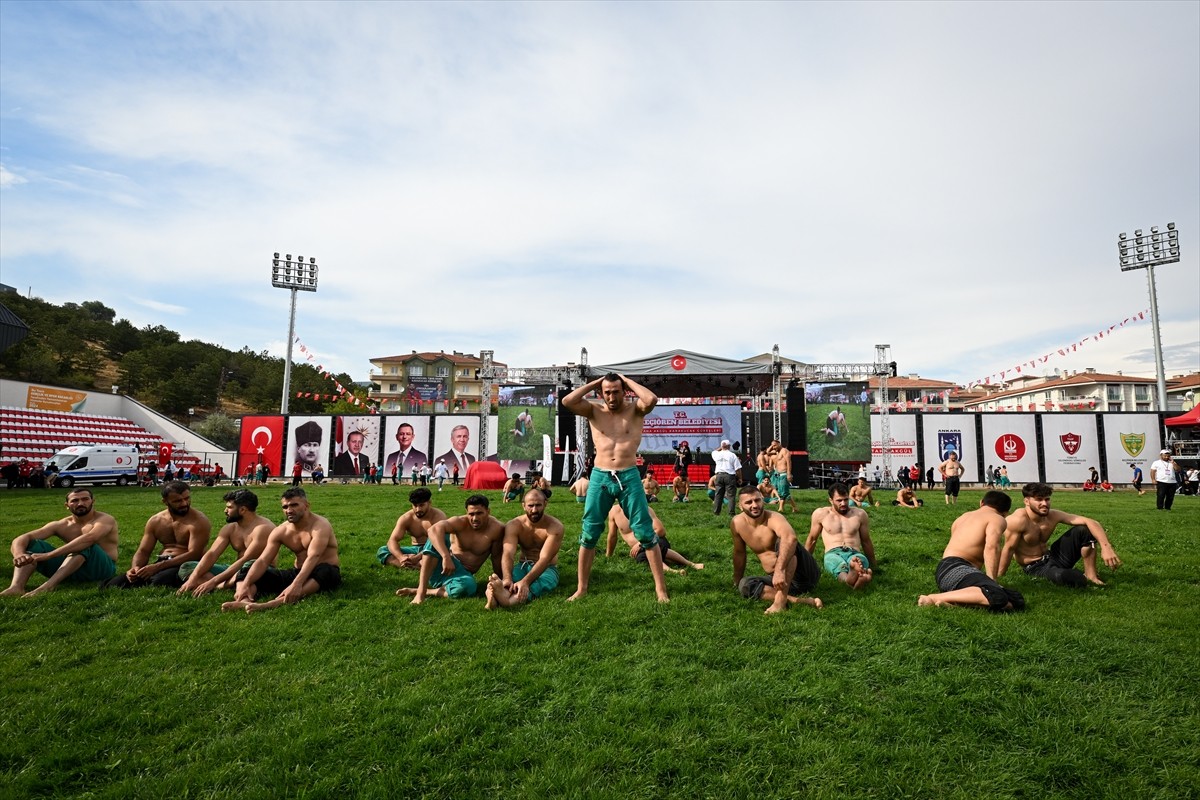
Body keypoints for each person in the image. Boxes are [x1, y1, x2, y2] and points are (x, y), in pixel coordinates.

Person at [562, 372, 670, 603]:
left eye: (616, 391)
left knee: (645, 532)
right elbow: (567, 401)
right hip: (600, 476)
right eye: (607, 392)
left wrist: (627, 380)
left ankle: (661, 590)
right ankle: (582, 588)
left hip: (629, 475)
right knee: (589, 533)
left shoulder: (636, 409)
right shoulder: (594, 410)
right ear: (602, 393)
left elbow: (651, 400)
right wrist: (596, 384)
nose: (611, 396)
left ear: (624, 392)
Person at [222, 488, 341, 613]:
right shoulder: (281, 530)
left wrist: (296, 585)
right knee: (249, 567)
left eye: (294, 505)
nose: (289, 510)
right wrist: (246, 584)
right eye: (285, 507)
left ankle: (272, 604)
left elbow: (314, 556)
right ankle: (245, 599)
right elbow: (263, 560)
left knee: (325, 570)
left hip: (322, 573)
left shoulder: (320, 525)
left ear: (306, 505)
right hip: (298, 572)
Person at [999, 482, 1122, 588]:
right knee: (1075, 579)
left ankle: (1091, 575)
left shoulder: (1052, 515)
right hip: (1035, 567)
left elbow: (1091, 522)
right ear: (1026, 501)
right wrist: (998, 577)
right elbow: (1009, 549)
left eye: (1047, 499)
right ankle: (1076, 576)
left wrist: (1106, 547)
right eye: (1039, 499)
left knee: (1084, 529)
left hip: (1053, 556)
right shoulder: (1017, 520)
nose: (1044, 503)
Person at [917, 491, 1024, 611]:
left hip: (944, 571)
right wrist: (992, 582)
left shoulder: (963, 517)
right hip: (957, 569)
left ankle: (952, 603)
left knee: (1015, 601)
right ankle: (933, 598)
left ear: (981, 503)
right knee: (995, 594)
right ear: (1005, 513)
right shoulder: (997, 518)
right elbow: (992, 547)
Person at [3, 488, 119, 596]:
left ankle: (48, 586)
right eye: (75, 500)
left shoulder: (105, 519)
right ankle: (16, 587)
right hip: (71, 569)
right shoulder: (61, 525)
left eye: (85, 499)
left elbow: (90, 538)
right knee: (32, 544)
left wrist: (49, 555)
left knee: (85, 545)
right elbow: (23, 537)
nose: (80, 503)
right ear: (67, 505)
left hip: (101, 570)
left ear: (92, 501)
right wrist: (19, 555)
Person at [102, 481, 211, 589]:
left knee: (158, 581)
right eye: (177, 501)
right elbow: (143, 551)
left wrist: (158, 567)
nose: (184, 503)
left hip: (185, 564)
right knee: (113, 584)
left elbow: (195, 554)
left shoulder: (199, 521)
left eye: (187, 498)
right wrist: (136, 568)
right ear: (165, 501)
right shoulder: (156, 521)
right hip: (163, 561)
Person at [731, 486, 823, 614]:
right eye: (748, 502)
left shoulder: (774, 517)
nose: (754, 505)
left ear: (763, 500)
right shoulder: (737, 523)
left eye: (757, 500)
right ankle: (797, 600)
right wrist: (737, 580)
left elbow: (790, 539)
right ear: (740, 506)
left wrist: (780, 571)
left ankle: (780, 601)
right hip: (779, 581)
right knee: (745, 584)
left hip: (804, 575)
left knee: (786, 542)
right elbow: (739, 553)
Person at [398, 494, 504, 604]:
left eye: (479, 513)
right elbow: (433, 530)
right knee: (438, 535)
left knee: (469, 587)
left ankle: (425, 590)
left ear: (488, 511)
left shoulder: (496, 529)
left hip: (462, 575)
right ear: (466, 512)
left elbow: (496, 557)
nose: (475, 518)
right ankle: (421, 591)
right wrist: (446, 557)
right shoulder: (460, 522)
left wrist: (500, 582)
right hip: (443, 566)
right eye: (471, 514)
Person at [176, 489, 276, 597]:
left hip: (258, 570)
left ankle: (217, 585)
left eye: (229, 507)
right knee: (187, 567)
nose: (225, 511)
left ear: (242, 510)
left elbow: (246, 559)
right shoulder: (230, 528)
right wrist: (192, 578)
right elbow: (212, 554)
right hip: (235, 569)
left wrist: (213, 581)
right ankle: (227, 584)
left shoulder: (263, 529)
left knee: (248, 567)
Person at [485, 488, 563, 609]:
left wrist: (526, 582)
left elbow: (545, 558)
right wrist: (507, 578)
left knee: (537, 585)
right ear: (523, 506)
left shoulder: (555, 527)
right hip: (523, 565)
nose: (534, 510)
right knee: (509, 584)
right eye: (530, 506)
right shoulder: (515, 524)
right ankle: (496, 595)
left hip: (547, 568)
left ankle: (505, 601)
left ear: (545, 504)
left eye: (538, 505)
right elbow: (508, 553)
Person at [805, 482, 875, 590]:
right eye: (839, 500)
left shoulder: (860, 514)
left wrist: (873, 563)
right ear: (830, 500)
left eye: (846, 499)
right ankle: (859, 577)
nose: (843, 503)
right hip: (833, 553)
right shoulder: (821, 514)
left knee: (860, 560)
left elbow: (866, 541)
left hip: (854, 552)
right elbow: (812, 539)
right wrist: (804, 563)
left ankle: (853, 576)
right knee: (837, 564)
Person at [607, 504, 703, 575]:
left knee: (654, 546)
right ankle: (673, 571)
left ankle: (691, 564)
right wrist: (609, 555)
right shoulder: (614, 512)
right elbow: (612, 536)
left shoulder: (645, 508)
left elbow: (660, 531)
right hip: (639, 551)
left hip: (654, 540)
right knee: (641, 558)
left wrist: (640, 543)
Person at [376, 487, 447, 570]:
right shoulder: (407, 518)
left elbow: (441, 542)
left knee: (443, 555)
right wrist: (401, 557)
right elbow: (392, 540)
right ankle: (414, 565)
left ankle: (415, 565)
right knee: (382, 551)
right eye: (415, 505)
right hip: (415, 549)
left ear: (429, 503)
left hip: (434, 549)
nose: (418, 509)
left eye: (421, 505)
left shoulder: (438, 517)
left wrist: (416, 557)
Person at [711, 439, 740, 518]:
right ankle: (731, 513)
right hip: (729, 476)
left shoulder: (716, 454)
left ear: (721, 446)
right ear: (729, 446)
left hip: (719, 476)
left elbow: (715, 451)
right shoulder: (732, 455)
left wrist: (721, 447)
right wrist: (740, 478)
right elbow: (737, 468)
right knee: (731, 496)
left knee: (718, 495)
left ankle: (716, 512)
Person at [769, 442, 797, 513]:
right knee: (784, 493)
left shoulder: (784, 451)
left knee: (784, 493)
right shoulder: (777, 453)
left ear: (779, 444)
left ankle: (780, 508)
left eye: (775, 445)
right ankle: (795, 508)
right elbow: (768, 452)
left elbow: (789, 462)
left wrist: (789, 474)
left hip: (784, 474)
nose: (773, 447)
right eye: (772, 446)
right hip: (779, 475)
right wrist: (772, 446)